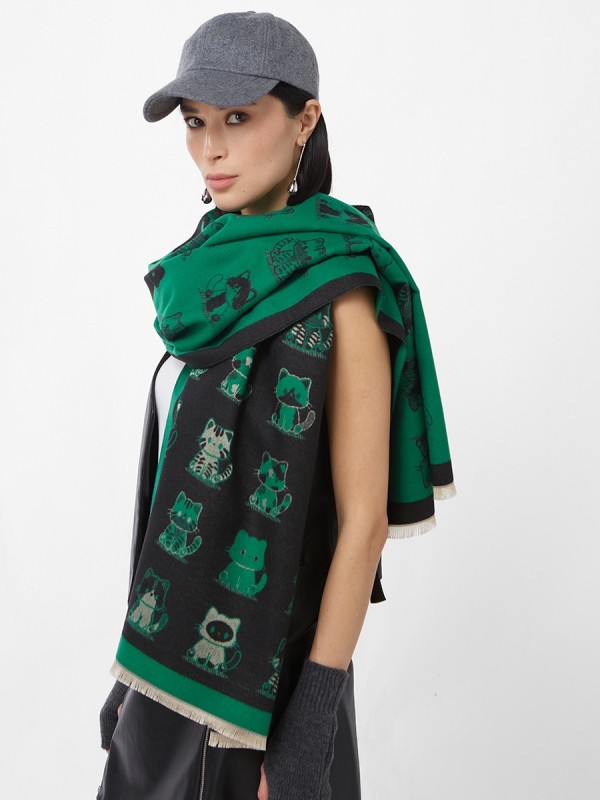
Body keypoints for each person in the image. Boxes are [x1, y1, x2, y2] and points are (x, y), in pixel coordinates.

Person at [97, 11, 455, 800]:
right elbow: (171, 490)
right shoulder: (202, 274)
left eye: (237, 118)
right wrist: (129, 679)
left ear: (305, 120)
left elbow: (362, 526)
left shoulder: (343, 286)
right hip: (162, 673)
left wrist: (307, 731)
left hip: (268, 693)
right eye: (195, 122)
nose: (210, 148)